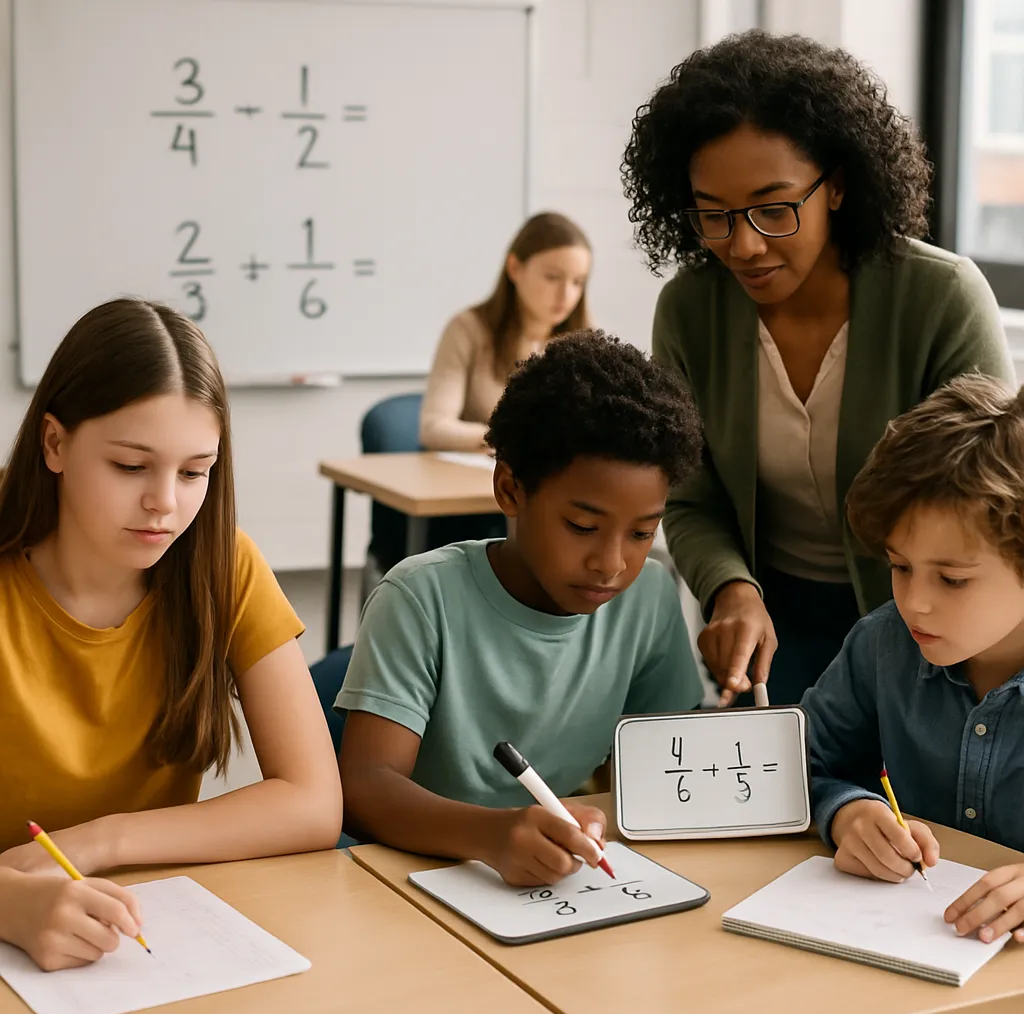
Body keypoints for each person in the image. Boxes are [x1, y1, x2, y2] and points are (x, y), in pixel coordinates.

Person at [621, 31, 1014, 707]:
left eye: (773, 210)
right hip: (773, 622)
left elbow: (989, 494)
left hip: (924, 615)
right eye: (713, 217)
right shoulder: (690, 309)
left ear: (834, 186)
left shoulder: (941, 296)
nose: (743, 245)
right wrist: (730, 589)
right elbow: (691, 495)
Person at [0, 299, 342, 971]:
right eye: (131, 467)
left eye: (194, 472)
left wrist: (100, 844)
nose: (166, 501)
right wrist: (10, 904)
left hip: (130, 934)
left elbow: (313, 804)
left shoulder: (223, 564)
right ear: (55, 443)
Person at [337, 331, 704, 886]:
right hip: (418, 877)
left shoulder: (649, 596)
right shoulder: (419, 598)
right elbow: (366, 785)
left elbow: (660, 772)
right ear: (510, 490)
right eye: (582, 527)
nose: (610, 563)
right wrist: (492, 833)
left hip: (558, 878)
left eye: (642, 533)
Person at [802, 374, 1024, 945]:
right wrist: (846, 811)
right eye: (900, 567)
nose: (914, 602)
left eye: (952, 578)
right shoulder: (883, 644)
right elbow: (796, 762)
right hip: (897, 951)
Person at [420, 211, 592, 453]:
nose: (567, 295)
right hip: (479, 480)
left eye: (578, 282)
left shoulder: (585, 342)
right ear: (514, 268)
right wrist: (507, 439)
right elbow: (434, 428)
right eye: (552, 277)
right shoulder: (467, 329)